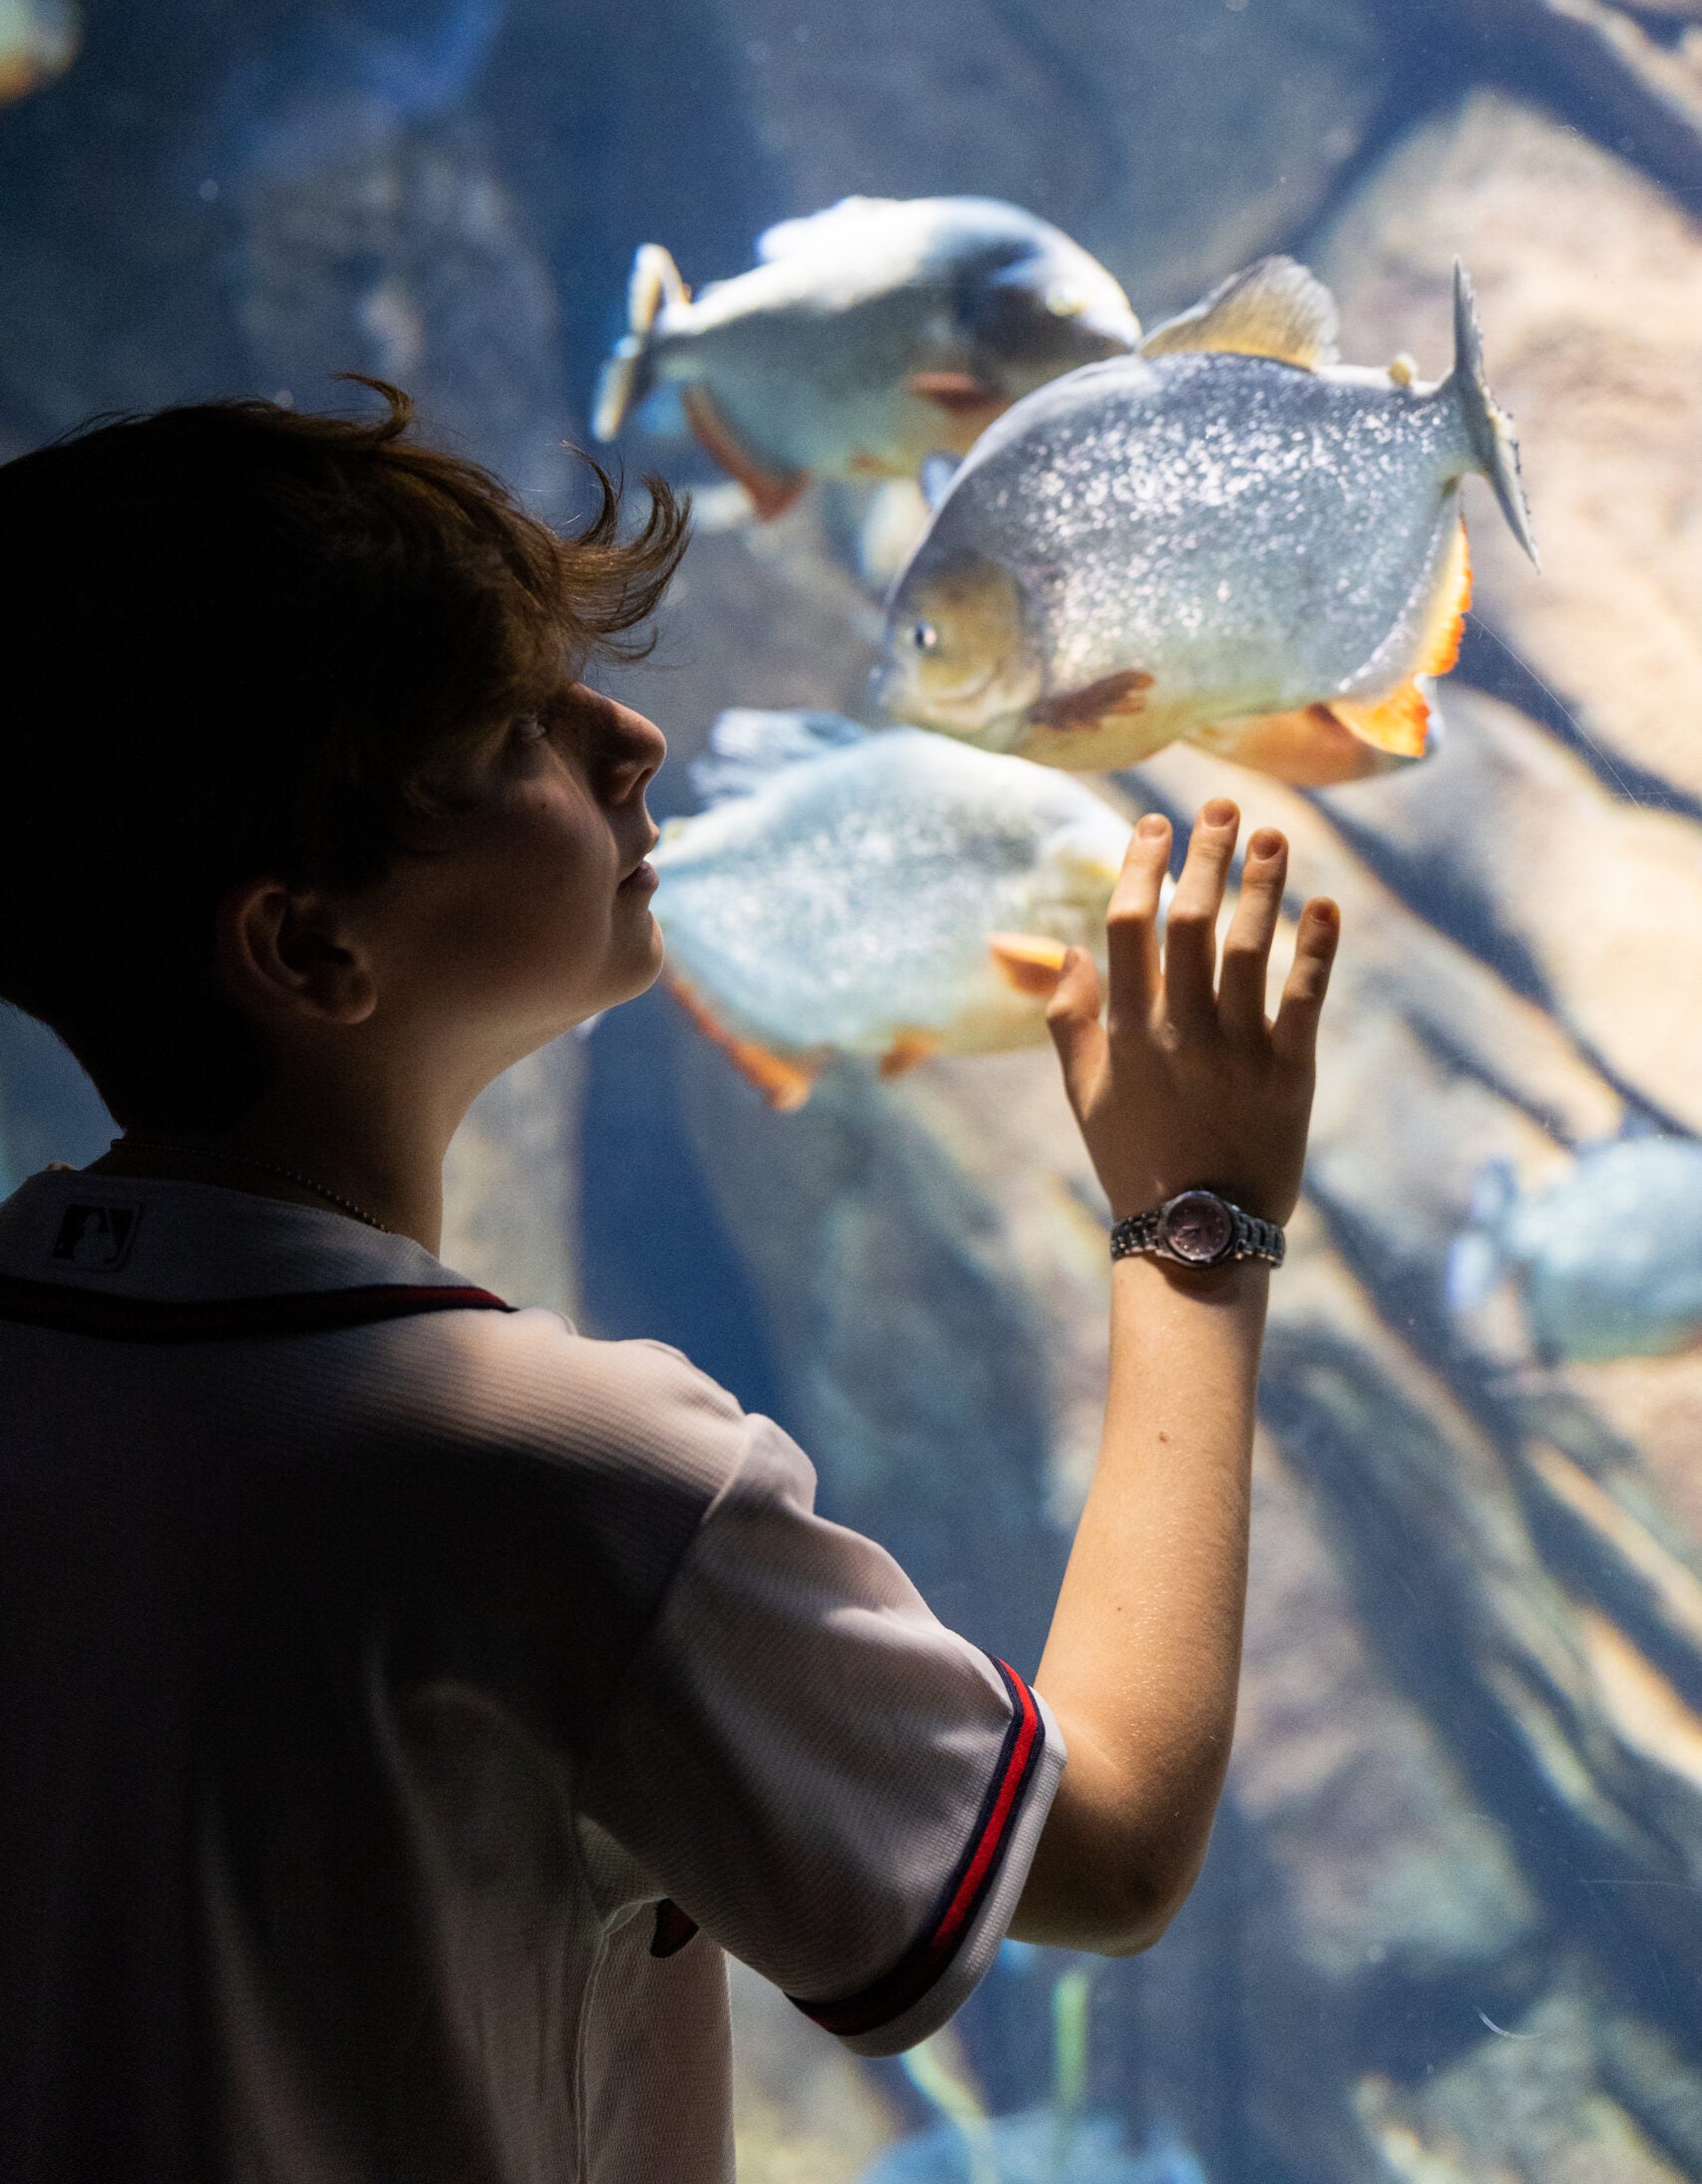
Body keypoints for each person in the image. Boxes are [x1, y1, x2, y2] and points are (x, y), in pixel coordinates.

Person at [0, 386, 1338, 2184]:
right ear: (313, 944)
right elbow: (1099, 1852)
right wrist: (1198, 1227)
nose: (628, 735)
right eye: (511, 734)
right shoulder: (563, 1479)